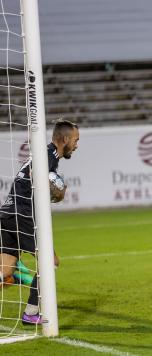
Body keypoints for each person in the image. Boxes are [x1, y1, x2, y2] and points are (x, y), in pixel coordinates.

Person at [0, 119, 79, 325]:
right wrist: (56, 188)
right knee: (50, 261)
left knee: (5, 272)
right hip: (22, 214)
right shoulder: (49, 155)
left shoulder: (47, 155)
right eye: (76, 140)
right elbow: (37, 175)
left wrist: (53, 186)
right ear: (65, 139)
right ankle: (31, 312)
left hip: (8, 213)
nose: (77, 145)